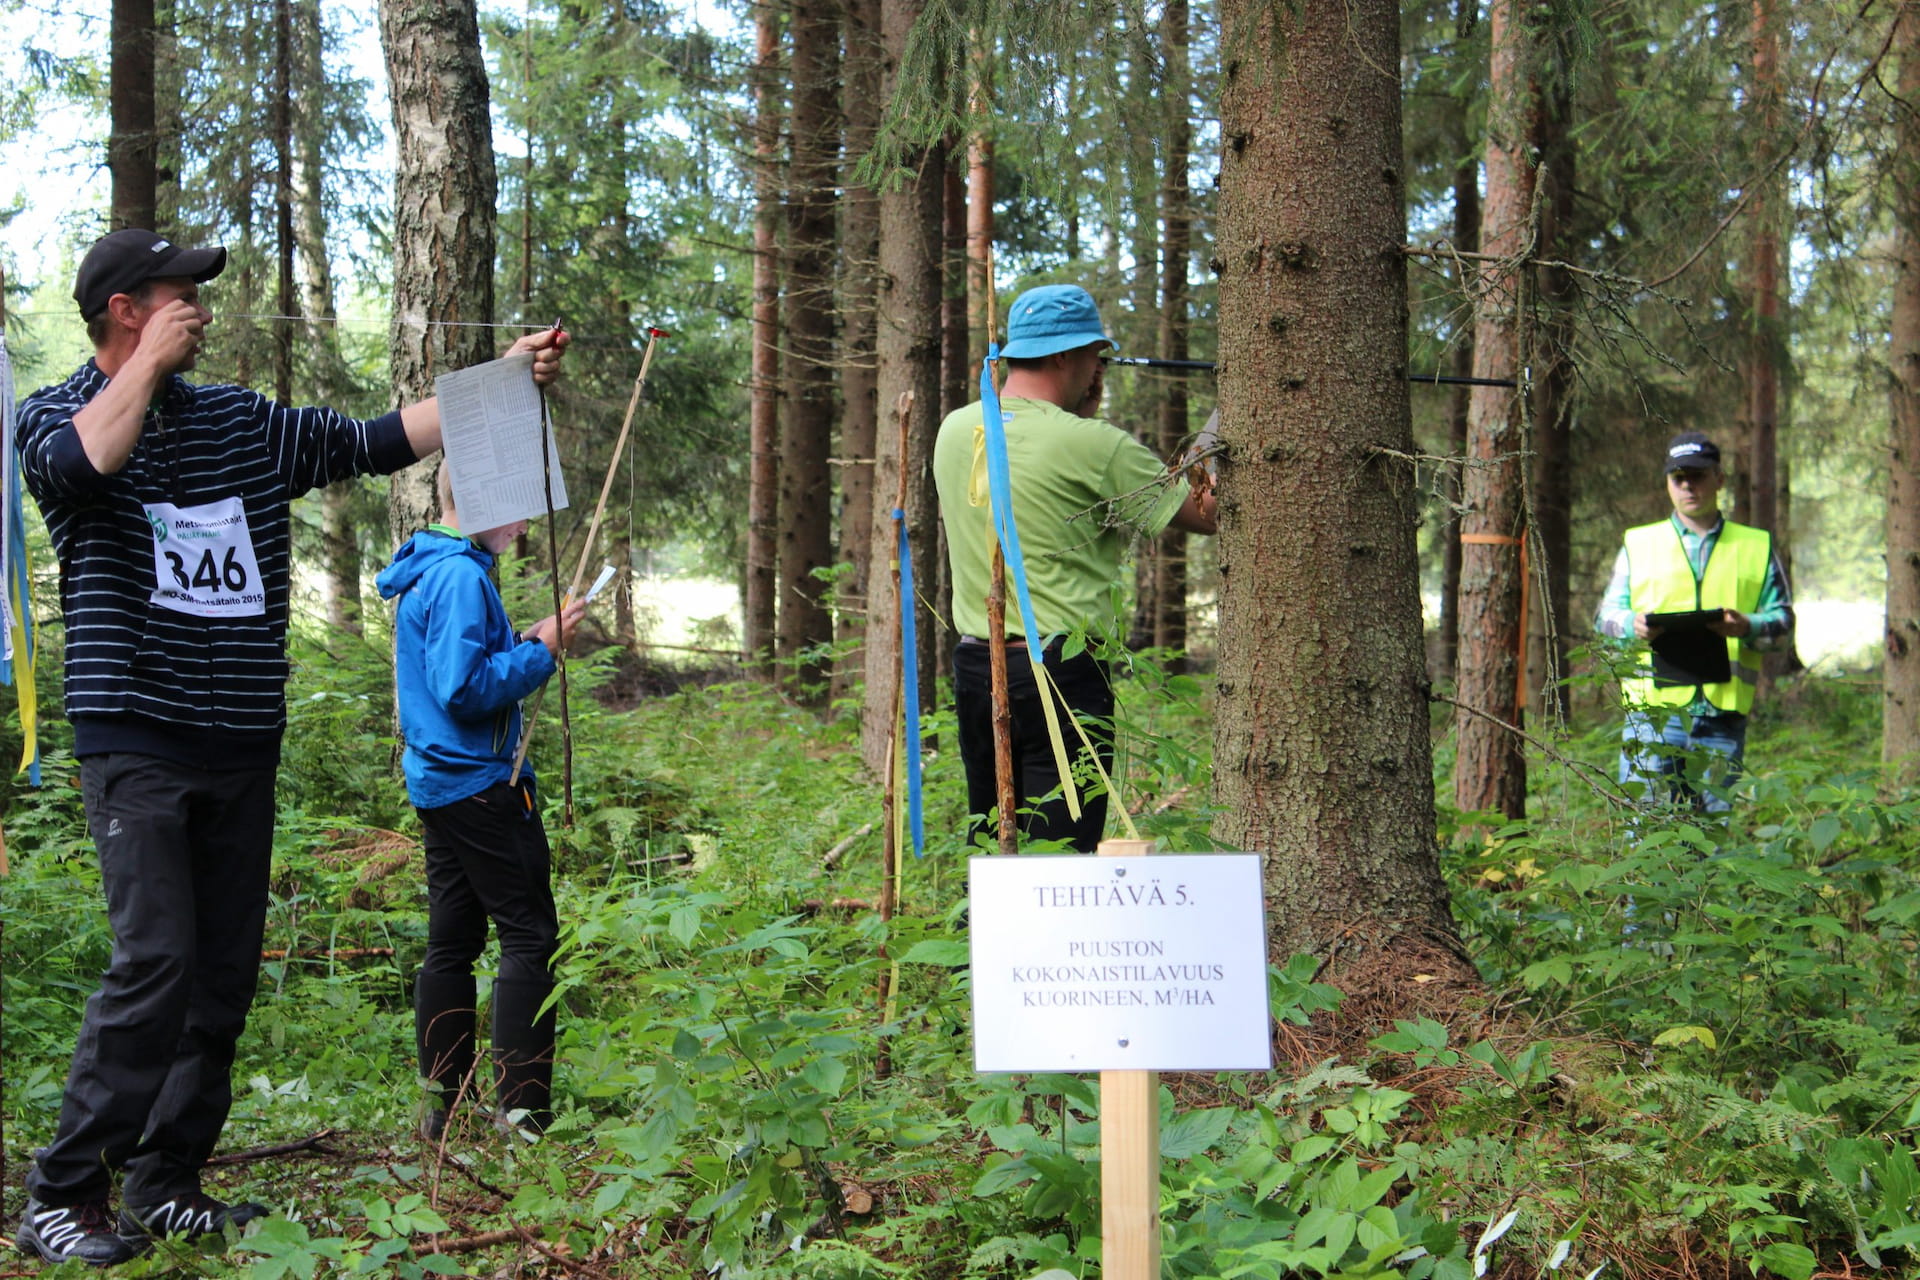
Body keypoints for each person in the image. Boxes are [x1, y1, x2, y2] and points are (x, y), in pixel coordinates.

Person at [13, 228, 568, 1266]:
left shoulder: (238, 419)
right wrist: (142, 371)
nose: (202, 306)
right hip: (135, 732)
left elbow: (374, 439)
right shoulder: (56, 413)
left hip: (239, 737)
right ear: (126, 306)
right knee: (156, 959)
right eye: (182, 291)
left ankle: (167, 1178)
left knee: (220, 973)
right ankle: (62, 1189)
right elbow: (82, 467)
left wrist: (498, 382)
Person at [931, 284, 1216, 852]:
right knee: (1061, 848)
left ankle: (984, 941)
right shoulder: (1093, 445)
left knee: (995, 838)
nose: (1098, 370)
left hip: (976, 663)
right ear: (1067, 356)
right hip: (1060, 672)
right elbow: (1206, 514)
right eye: (1095, 357)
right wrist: (1220, 424)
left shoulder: (955, 428)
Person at [376, 467, 584, 1143]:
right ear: (484, 505)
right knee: (529, 936)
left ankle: (444, 1104)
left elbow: (451, 673)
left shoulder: (433, 567)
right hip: (479, 786)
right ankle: (523, 1115)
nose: (525, 529)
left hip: (439, 784)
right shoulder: (462, 576)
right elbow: (464, 690)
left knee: (453, 944)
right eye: (518, 513)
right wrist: (542, 654)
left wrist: (521, 644)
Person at [1595, 431, 1795, 813]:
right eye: (1678, 478)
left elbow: (1784, 624)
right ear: (1668, 482)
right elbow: (1604, 618)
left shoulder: (1756, 545)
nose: (1688, 485)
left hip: (1722, 717)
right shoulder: (1640, 543)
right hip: (1652, 717)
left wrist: (1747, 626)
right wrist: (1631, 625)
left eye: (1698, 476)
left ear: (1719, 478)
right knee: (1646, 830)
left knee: (1710, 836)